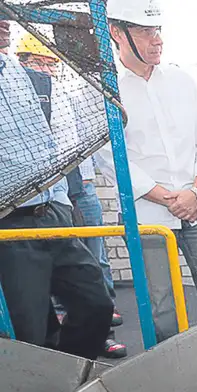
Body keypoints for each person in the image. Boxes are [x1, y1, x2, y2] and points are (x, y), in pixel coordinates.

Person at [101, 0, 197, 342]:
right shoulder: (106, 91)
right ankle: (174, 372)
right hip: (148, 218)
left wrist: (196, 192)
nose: (157, 39)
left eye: (157, 30)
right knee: (162, 312)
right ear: (117, 33)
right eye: (145, 31)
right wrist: (168, 198)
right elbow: (110, 158)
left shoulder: (181, 81)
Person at [0, 19, 113, 359]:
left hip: (52, 213)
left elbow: (47, 141)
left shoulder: (17, 72)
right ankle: (42, 387)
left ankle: (71, 375)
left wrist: (61, 199)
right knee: (28, 333)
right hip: (10, 224)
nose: (4, 22)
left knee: (96, 303)